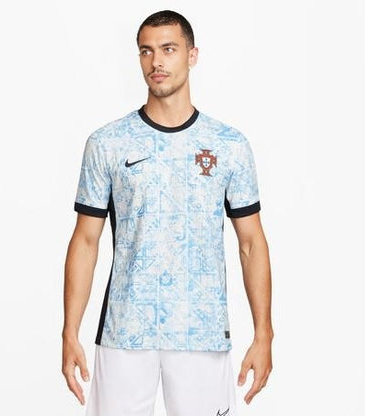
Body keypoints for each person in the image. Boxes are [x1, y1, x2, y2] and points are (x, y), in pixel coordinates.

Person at [62, 9, 273, 416]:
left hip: (202, 332)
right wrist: (69, 331)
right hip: (125, 330)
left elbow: (251, 243)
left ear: (192, 55)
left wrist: (264, 333)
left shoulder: (229, 145)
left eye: (168, 49)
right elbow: (85, 241)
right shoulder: (108, 143)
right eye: (146, 51)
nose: (156, 61)